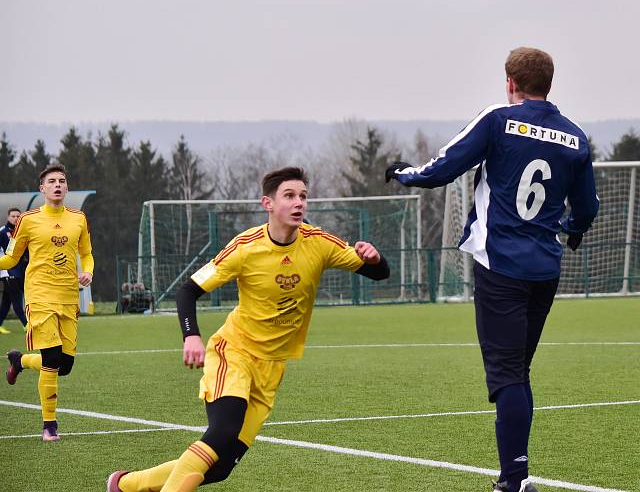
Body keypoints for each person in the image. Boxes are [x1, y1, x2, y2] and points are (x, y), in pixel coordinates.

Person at [385, 47, 599, 492]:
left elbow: (442, 168)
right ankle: (516, 475)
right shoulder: (576, 138)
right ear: (550, 84)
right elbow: (587, 207)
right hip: (545, 269)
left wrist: (405, 173)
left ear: (510, 83)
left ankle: (515, 480)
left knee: (507, 375)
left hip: (499, 264)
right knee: (518, 372)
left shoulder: (499, 119)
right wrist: (573, 231)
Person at [107, 166, 390, 492]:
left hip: (271, 368)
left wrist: (374, 257)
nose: (299, 203)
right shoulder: (245, 247)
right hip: (234, 353)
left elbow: (379, 274)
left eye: (303, 196)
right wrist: (192, 337)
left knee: (221, 467)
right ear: (267, 204)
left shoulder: (319, 243)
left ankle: (125, 485)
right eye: (289, 196)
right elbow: (188, 291)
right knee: (222, 433)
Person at [1, 164, 94, 442]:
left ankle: (20, 361)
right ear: (42, 188)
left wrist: (88, 270)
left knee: (64, 365)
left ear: (66, 188)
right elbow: (11, 259)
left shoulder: (79, 218)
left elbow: (87, 254)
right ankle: (49, 426)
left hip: (68, 297)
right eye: (51, 181)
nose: (57, 185)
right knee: (52, 359)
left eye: (62, 181)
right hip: (39, 296)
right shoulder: (27, 220)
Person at [0, 208, 29, 334]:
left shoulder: (21, 231)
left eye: (18, 216)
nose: (16, 218)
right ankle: (27, 325)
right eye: (13, 216)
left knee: (7, 301)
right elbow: (9, 252)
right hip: (7, 270)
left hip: (19, 270)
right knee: (17, 298)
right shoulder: (2, 232)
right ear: (8, 217)